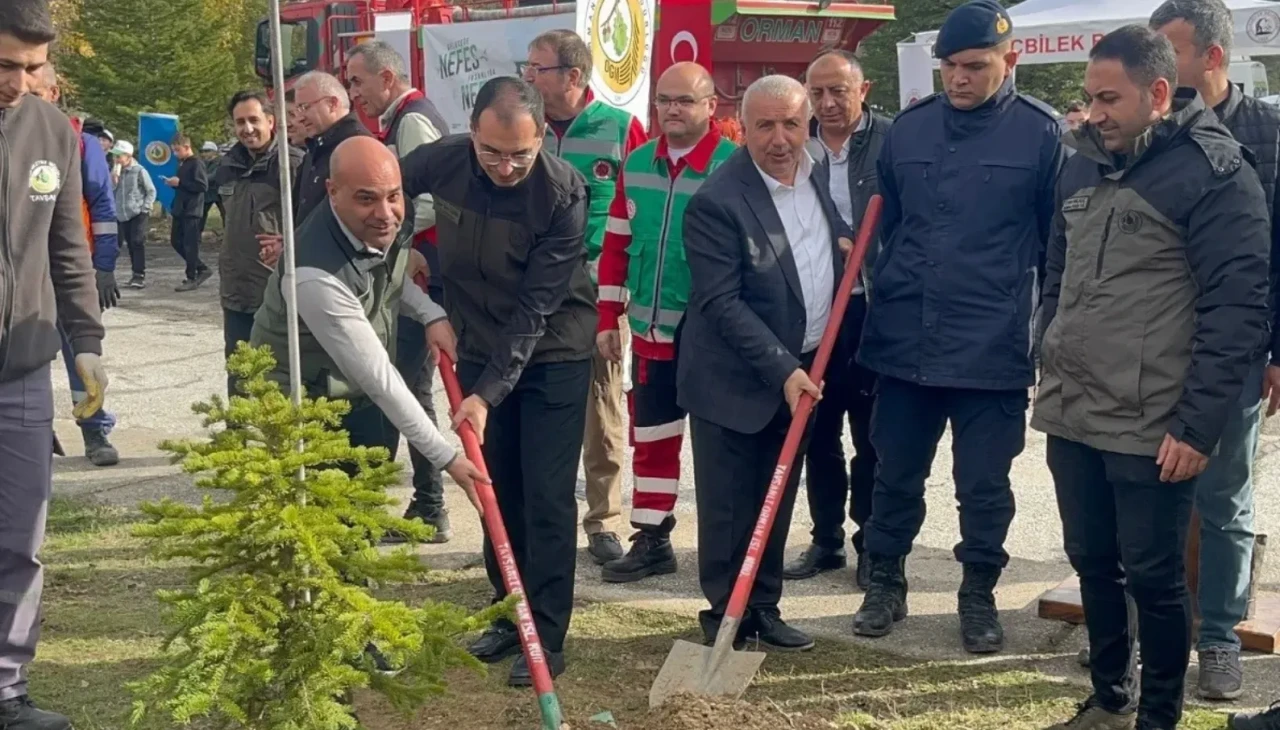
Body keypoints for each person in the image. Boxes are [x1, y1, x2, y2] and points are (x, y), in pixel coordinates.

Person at [1034, 25, 1271, 730]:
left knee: (1156, 579)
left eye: (1110, 98)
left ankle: (1157, 718)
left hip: (1152, 424)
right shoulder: (1080, 160)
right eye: (1088, 97)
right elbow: (1055, 267)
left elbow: (1237, 310)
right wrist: (1049, 340)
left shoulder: (1215, 173)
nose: (1094, 111)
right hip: (1073, 412)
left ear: (1160, 93)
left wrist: (1198, 426)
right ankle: (1109, 699)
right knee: (1090, 561)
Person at [852, 0, 1063, 655]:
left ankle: (977, 594)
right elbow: (890, 229)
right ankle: (884, 582)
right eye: (950, 67)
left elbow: (1057, 246)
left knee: (983, 486)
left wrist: (1044, 332)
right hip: (906, 338)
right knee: (893, 474)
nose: (960, 79)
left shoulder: (1044, 135)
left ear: (1010, 60)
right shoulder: (908, 132)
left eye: (976, 66)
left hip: (991, 344)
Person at [399, 77, 596, 686]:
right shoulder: (444, 158)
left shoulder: (562, 192)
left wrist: (486, 394)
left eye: (521, 153)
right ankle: (509, 614)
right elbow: (382, 187)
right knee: (495, 490)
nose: (506, 166)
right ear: (473, 132)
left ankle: (547, 632)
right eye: (492, 152)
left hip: (553, 353)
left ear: (542, 137)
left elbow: (536, 309)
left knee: (544, 494)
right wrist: (402, 242)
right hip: (478, 342)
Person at [680, 74, 852, 652]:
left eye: (792, 124)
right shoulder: (717, 202)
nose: (780, 139)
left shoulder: (817, 174)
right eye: (765, 126)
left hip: (802, 370)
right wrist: (783, 370)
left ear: (809, 125)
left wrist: (846, 244)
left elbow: (815, 247)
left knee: (776, 498)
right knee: (731, 508)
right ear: (742, 126)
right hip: (736, 381)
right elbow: (720, 303)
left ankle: (765, 607)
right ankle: (725, 618)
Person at [1150, 0, 1280, 703]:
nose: (1158, 70)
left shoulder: (1268, 133)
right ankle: (1150, 631)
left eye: (1169, 54)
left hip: (1235, 351)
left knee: (1226, 500)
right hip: (1150, 350)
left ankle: (1220, 638)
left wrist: (1278, 350)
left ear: (1213, 57)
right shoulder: (1148, 131)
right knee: (1145, 496)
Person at [248, 136, 485, 497]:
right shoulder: (314, 274)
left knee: (365, 496)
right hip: (301, 404)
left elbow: (385, 275)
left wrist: (431, 314)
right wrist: (447, 458)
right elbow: (378, 377)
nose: (385, 213)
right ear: (332, 191)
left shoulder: (379, 223)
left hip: (349, 388)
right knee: (321, 513)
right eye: (366, 198)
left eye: (393, 195)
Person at [0, 1, 108, 727]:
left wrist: (89, 345)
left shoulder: (54, 135)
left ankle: (6, 689)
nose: (20, 82)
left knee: (19, 535)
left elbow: (70, 250)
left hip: (24, 367)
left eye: (34, 68)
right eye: (6, 65)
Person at [594, 62, 737, 583]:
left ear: (709, 107)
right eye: (664, 100)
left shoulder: (732, 166)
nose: (672, 110)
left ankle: (730, 545)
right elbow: (615, 246)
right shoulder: (635, 164)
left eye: (685, 100)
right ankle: (652, 539)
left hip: (713, 341)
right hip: (650, 337)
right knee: (651, 439)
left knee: (722, 446)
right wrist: (608, 316)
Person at [525, 29, 648, 565]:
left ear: (572, 77)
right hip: (532, 289)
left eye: (538, 68)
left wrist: (625, 293)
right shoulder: (523, 128)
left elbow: (641, 211)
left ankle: (604, 521)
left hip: (596, 292)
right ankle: (535, 512)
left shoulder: (622, 130)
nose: (528, 76)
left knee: (602, 406)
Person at [785, 49, 888, 590]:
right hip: (816, 312)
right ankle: (825, 539)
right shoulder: (793, 145)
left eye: (838, 92)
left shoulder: (892, 142)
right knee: (817, 431)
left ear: (863, 89)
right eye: (816, 92)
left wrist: (869, 258)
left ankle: (872, 542)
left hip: (872, 311)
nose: (826, 103)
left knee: (872, 436)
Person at [344, 40, 453, 542]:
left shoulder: (412, 121)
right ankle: (423, 503)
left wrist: (394, 235)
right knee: (406, 387)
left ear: (386, 79)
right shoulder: (398, 119)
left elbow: (430, 201)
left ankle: (431, 506)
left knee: (410, 389)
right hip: (410, 270)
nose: (354, 92)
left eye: (357, 81)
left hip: (421, 273)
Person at [28, 62, 122, 468]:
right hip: (25, 274)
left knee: (79, 356)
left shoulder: (78, 142)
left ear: (53, 94)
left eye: (38, 93)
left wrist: (103, 265)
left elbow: (102, 205)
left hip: (69, 272)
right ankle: (32, 433)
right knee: (25, 359)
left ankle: (95, 430)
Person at [215, 90, 304, 397]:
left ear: (271, 121)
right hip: (237, 290)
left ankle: (280, 444)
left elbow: (313, 223)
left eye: (254, 120)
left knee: (278, 377)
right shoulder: (227, 167)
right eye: (240, 122)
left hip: (277, 293)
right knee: (239, 375)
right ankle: (238, 442)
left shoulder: (293, 166)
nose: (247, 129)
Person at [291, 70, 373, 224]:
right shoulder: (316, 148)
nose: (300, 118)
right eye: (298, 110)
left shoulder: (358, 147)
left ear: (332, 104)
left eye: (305, 107)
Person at [165, 134, 211, 291]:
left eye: (177, 150)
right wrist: (175, 184)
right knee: (176, 241)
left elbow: (202, 186)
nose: (176, 154)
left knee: (190, 244)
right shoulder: (182, 164)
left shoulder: (196, 163)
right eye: (174, 151)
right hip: (180, 208)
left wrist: (181, 182)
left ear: (187, 147)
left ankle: (192, 276)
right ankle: (201, 267)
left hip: (192, 210)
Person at [112, 139, 156, 289]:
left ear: (128, 156)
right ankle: (128, 274)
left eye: (119, 156)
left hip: (137, 212)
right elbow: (111, 192)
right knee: (126, 243)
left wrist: (145, 208)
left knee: (137, 242)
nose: (116, 159)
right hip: (121, 213)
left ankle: (139, 275)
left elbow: (151, 190)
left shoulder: (139, 171)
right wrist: (114, 180)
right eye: (115, 156)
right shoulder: (115, 172)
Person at [200, 141, 224, 232]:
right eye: (203, 151)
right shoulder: (203, 163)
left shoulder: (222, 161)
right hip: (207, 192)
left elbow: (215, 176)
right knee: (201, 215)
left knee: (226, 216)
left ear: (214, 152)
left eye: (207, 151)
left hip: (220, 192)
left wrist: (199, 180)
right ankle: (196, 237)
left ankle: (227, 238)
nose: (204, 153)